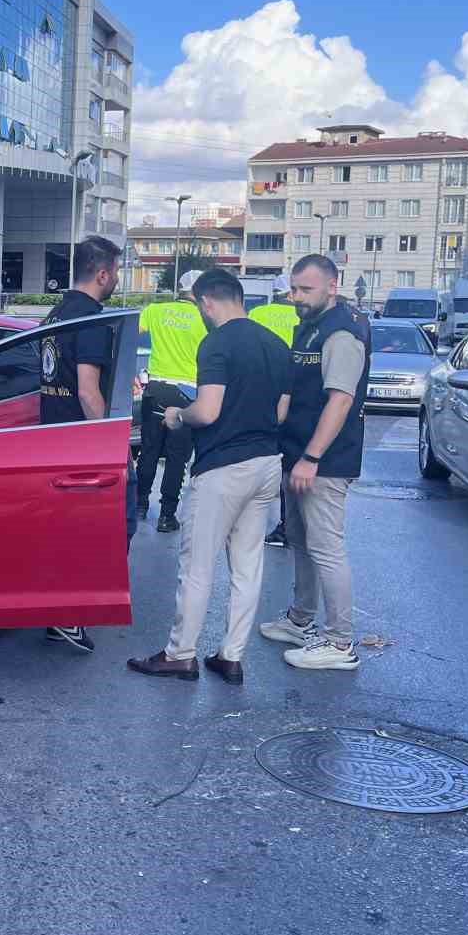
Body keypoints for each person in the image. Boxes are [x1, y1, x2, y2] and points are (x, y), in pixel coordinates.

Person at [127, 271, 290, 685]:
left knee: (197, 565)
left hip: (222, 467)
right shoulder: (275, 344)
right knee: (247, 567)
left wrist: (178, 416)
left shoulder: (216, 342)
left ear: (206, 302)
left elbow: (208, 410)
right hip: (267, 463)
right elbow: (281, 412)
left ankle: (180, 654)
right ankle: (231, 657)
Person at [259, 254, 370, 671]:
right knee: (301, 541)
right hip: (298, 454)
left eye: (306, 289)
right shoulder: (309, 326)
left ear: (332, 287)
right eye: (294, 288)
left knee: (326, 548)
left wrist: (311, 457)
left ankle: (340, 643)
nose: (296, 296)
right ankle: (300, 620)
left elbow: (340, 400)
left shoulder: (341, 332)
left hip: (323, 461)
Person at [39, 235, 134, 654]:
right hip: (82, 444)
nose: (117, 279)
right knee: (114, 524)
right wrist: (112, 448)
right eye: (116, 272)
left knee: (66, 528)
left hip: (52, 438)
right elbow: (88, 391)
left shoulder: (56, 313)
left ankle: (59, 611)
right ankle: (72, 611)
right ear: (103, 274)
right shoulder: (91, 319)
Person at [135, 274, 208, 533]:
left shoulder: (155, 310)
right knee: (177, 458)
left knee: (149, 450)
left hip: (156, 389)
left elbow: (130, 333)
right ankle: (167, 516)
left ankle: (140, 504)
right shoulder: (205, 318)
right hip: (187, 393)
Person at [251, 290, 302, 547]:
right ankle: (287, 525)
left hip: (262, 389)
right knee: (288, 461)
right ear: (290, 296)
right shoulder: (301, 316)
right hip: (293, 389)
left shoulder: (258, 313)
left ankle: (250, 520)